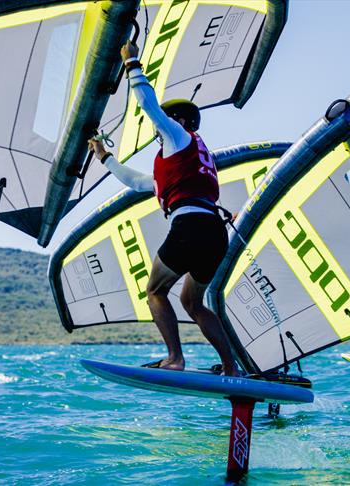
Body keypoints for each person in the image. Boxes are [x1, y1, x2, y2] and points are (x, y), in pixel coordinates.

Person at [88, 41, 239, 376]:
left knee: (155, 290)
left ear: (181, 120)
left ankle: (175, 359)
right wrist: (105, 157)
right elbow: (138, 182)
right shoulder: (188, 157)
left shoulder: (179, 135)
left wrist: (132, 63)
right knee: (192, 302)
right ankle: (231, 366)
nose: (160, 125)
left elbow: (150, 107)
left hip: (191, 229)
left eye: (168, 119)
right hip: (214, 233)